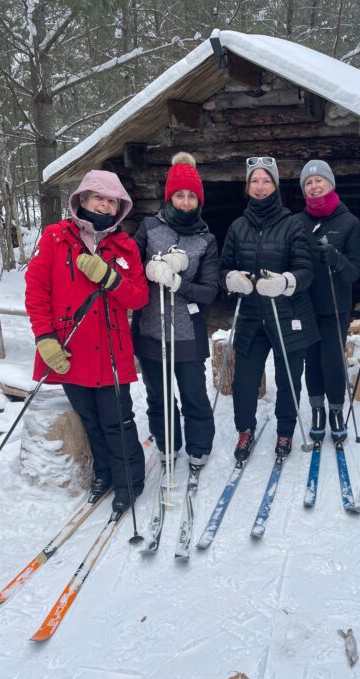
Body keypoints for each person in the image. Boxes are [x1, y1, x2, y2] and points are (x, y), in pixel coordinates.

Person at [25, 170, 149, 512]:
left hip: (111, 350)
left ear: (119, 207)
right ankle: (104, 474)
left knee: (118, 421)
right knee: (90, 420)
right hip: (69, 347)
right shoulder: (54, 237)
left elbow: (139, 297)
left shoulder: (125, 246)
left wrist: (111, 278)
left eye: (112, 201)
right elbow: (36, 291)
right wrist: (44, 338)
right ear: (83, 199)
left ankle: (129, 481)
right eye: (99, 198)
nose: (105, 205)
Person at [220, 156, 319, 461]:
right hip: (251, 317)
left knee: (288, 380)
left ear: (275, 185)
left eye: (266, 180)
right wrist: (231, 279)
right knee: (244, 382)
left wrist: (286, 282)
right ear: (247, 187)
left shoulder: (293, 224)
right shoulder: (238, 227)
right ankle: (245, 430)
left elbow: (306, 270)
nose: (260, 186)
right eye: (254, 180)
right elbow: (224, 267)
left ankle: (285, 431)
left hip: (287, 315)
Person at [132, 152, 219, 467]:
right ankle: (167, 443)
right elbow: (129, 267)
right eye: (179, 195)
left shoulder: (206, 239)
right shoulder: (149, 227)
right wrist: (149, 269)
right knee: (158, 394)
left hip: (187, 330)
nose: (185, 201)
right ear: (169, 197)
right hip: (150, 327)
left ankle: (199, 445)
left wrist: (177, 283)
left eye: (191, 196)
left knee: (193, 392)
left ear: (199, 200)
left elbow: (210, 291)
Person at [295, 160, 360, 442]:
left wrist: (335, 258)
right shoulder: (297, 222)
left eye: (318, 180)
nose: (314, 186)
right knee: (311, 360)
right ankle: (317, 410)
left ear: (330, 184)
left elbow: (355, 272)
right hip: (305, 304)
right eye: (308, 182)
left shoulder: (349, 222)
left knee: (332, 361)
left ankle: (336, 409)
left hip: (335, 305)